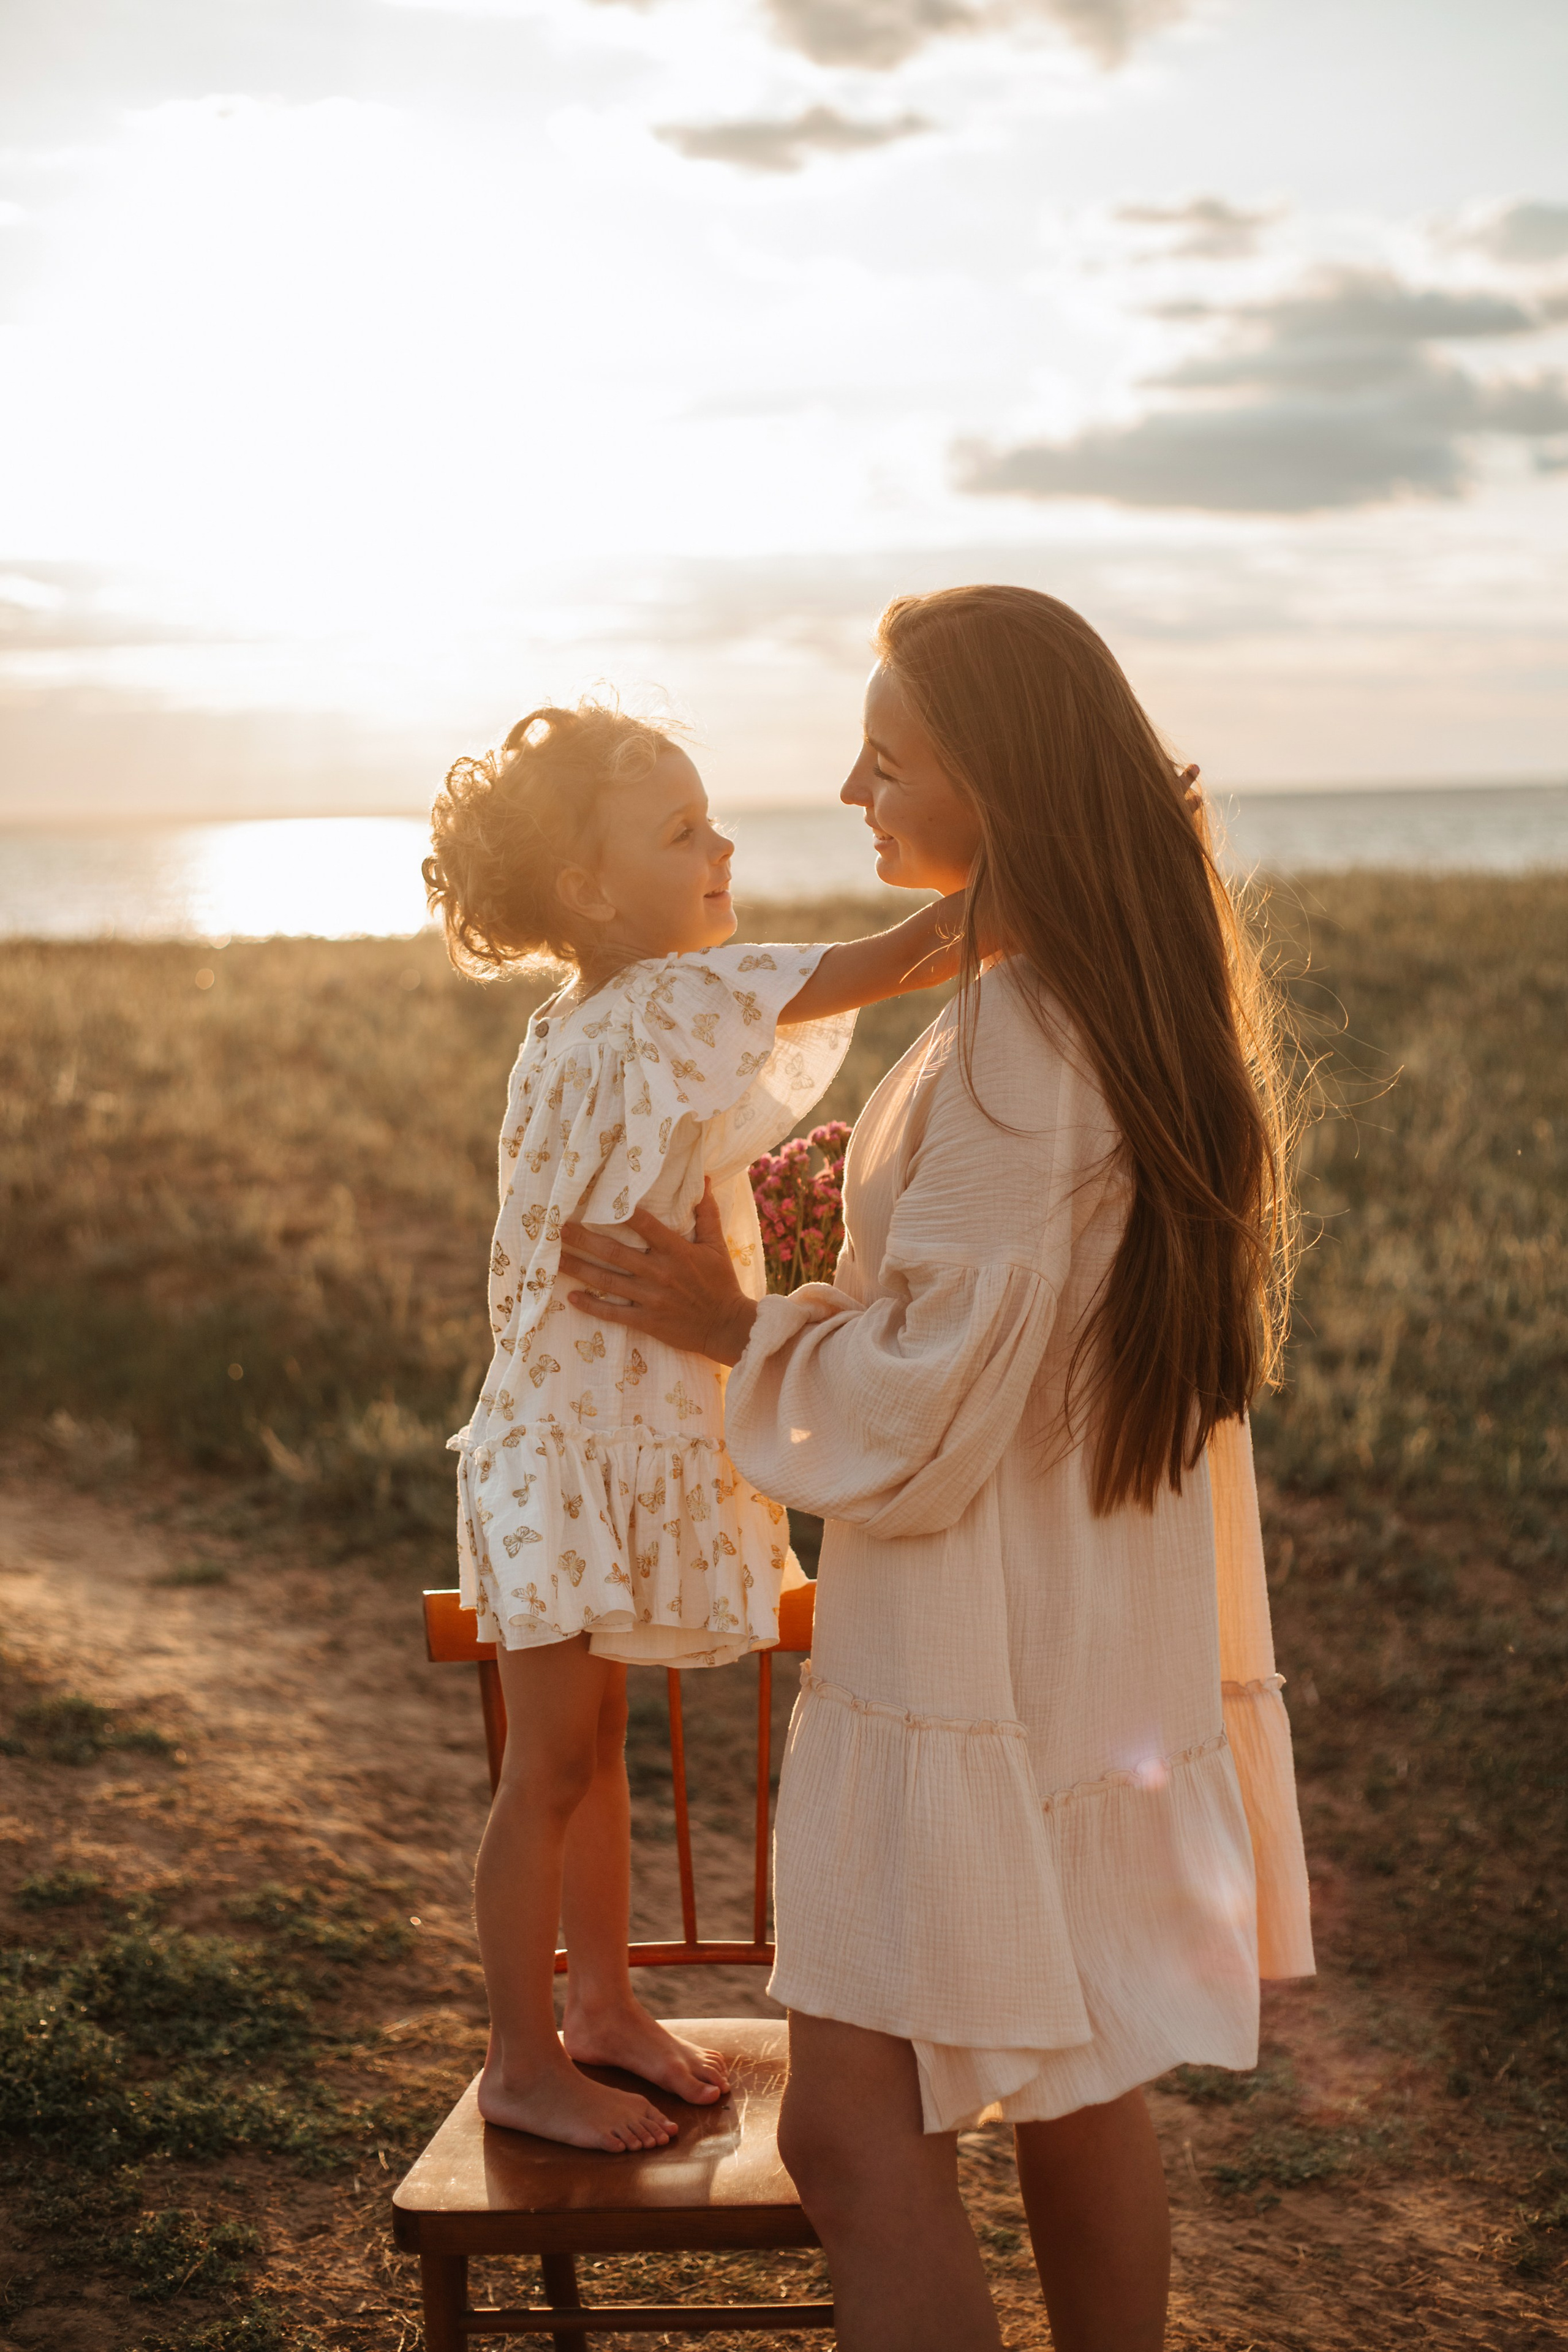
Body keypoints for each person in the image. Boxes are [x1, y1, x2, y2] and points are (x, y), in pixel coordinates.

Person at [557, 590, 1315, 2345]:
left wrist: (740, 1327)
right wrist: (864, 1255)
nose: (847, 785)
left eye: (887, 758)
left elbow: (918, 1412)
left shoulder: (1015, 1057)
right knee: (1078, 2074)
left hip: (975, 1659)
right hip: (1081, 1636)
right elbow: (1011, 1332)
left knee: (843, 2130)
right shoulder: (1112, 1014)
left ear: (997, 781)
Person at [423, 701, 963, 2155]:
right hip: (568, 1450)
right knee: (549, 1767)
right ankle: (520, 2059)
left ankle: (600, 2010)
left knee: (585, 1753)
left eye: (711, 818)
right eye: (679, 833)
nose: (720, 845)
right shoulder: (668, 1003)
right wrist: (1056, 868)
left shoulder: (578, 1019)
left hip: (560, 1440)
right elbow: (905, 955)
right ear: (589, 890)